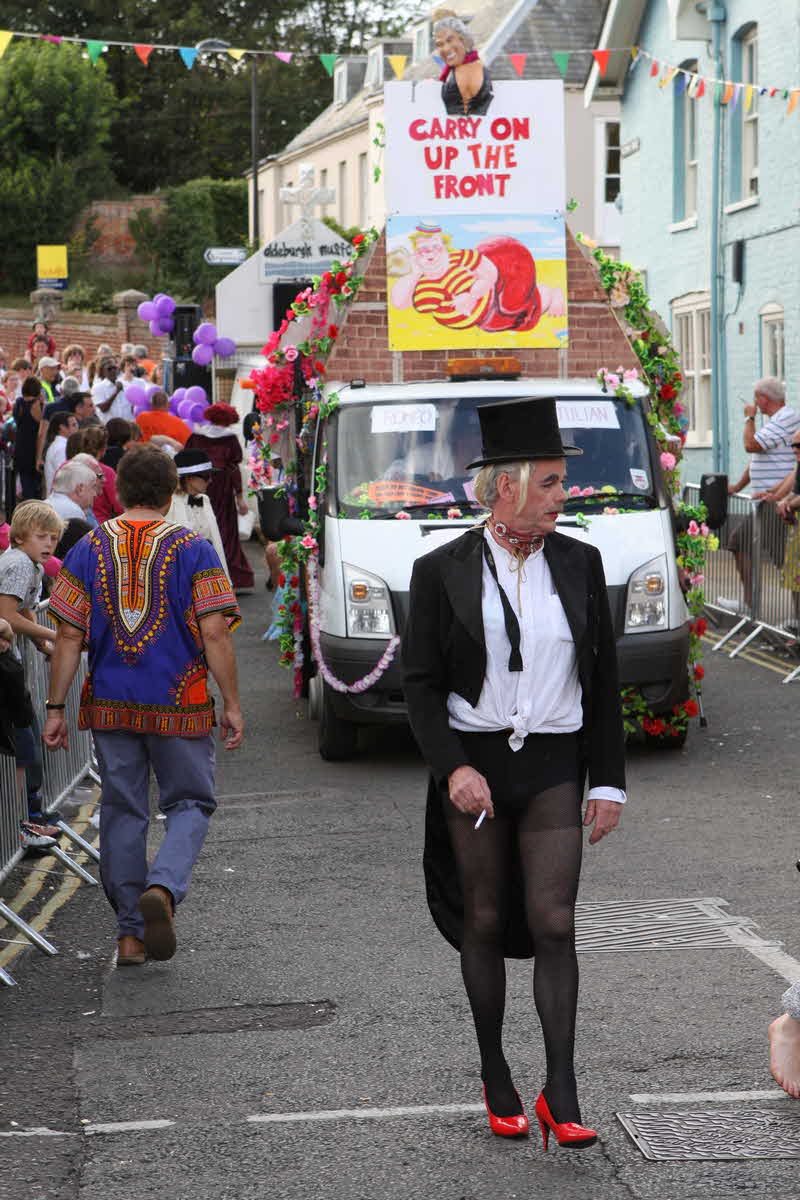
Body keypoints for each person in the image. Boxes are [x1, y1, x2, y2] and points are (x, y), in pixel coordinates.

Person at [402, 396, 625, 1148]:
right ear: (508, 488)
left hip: (557, 761)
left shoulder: (582, 562)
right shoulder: (440, 571)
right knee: (487, 918)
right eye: (555, 483)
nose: (567, 496)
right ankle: (495, 1071)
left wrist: (609, 780)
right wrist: (452, 769)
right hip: (478, 764)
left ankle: (561, 1088)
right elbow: (422, 686)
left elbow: (602, 681)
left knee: (556, 921)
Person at [44, 445, 244, 966]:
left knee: (122, 812)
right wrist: (233, 702)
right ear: (170, 490)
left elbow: (67, 635)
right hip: (182, 699)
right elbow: (216, 630)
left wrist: (55, 706)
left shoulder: (88, 547)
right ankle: (164, 885)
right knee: (190, 803)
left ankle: (130, 934)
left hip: (110, 702)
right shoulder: (194, 548)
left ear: (121, 491)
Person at [0, 500, 63, 848]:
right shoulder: (19, 564)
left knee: (28, 742)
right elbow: (7, 614)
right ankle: (22, 824)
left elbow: (25, 610)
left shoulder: (29, 565)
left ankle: (32, 815)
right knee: (21, 747)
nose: (49, 544)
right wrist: (54, 636)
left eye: (53, 538)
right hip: (4, 668)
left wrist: (42, 646)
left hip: (13, 665)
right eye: (41, 536)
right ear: (21, 537)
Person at [390, 223, 565, 335]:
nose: (430, 253)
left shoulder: (459, 259)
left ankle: (553, 294)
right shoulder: (422, 282)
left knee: (519, 308)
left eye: (436, 246)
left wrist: (472, 296)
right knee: (497, 324)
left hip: (494, 296)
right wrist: (415, 272)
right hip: (484, 319)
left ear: (444, 247)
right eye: (423, 249)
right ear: (415, 255)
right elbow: (399, 303)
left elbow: (489, 275)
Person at [726, 378, 800, 610]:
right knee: (739, 541)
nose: (754, 402)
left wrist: (750, 418)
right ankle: (750, 604)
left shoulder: (786, 418)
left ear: (763, 399)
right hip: (766, 500)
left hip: (779, 504)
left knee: (786, 562)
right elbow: (757, 457)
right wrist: (738, 487)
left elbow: (751, 445)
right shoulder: (773, 423)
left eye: (756, 397)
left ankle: (796, 621)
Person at [186, 404, 254, 591]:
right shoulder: (230, 439)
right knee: (225, 532)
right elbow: (234, 469)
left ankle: (200, 576)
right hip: (222, 490)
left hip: (197, 486)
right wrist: (239, 496)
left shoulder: (197, 436)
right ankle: (229, 576)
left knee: (196, 526)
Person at [166, 449, 229, 578]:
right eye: (206, 476)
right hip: (182, 575)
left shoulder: (204, 500)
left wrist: (226, 581)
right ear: (189, 478)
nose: (210, 481)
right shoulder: (170, 503)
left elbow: (216, 542)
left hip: (207, 571)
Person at [434, 12, 493, 116]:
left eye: (450, 40)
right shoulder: (453, 71)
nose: (446, 48)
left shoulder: (467, 68)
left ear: (463, 40)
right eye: (440, 44)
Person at [80, 426, 121, 523]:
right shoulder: (106, 472)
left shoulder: (65, 466)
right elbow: (118, 506)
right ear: (103, 448)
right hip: (100, 526)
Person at [12, 378, 44, 499]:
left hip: (20, 445)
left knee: (25, 481)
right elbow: (41, 426)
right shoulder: (36, 404)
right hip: (32, 446)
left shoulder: (18, 402)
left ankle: (27, 508)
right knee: (34, 484)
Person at [46, 459, 98, 527]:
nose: (95, 494)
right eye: (93, 487)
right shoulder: (73, 511)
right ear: (80, 489)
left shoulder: (45, 503)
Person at [43, 411, 79, 494]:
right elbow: (64, 477)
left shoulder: (61, 446)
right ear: (62, 427)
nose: (77, 428)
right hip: (61, 499)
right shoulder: (61, 448)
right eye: (74, 425)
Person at [92, 359, 133, 424]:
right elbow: (103, 408)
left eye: (114, 368)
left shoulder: (126, 384)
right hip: (109, 428)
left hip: (127, 425)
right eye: (109, 369)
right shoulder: (98, 387)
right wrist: (116, 392)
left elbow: (132, 406)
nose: (113, 370)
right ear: (103, 371)